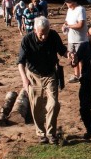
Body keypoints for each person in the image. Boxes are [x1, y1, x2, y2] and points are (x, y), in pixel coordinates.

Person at [17, 16, 69, 145]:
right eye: (41, 34)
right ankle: (41, 133)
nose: (44, 37)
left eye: (46, 33)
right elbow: (20, 63)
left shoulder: (53, 35)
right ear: (35, 30)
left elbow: (62, 51)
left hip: (50, 74)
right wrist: (24, 79)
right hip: (33, 75)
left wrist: (70, 55)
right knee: (36, 105)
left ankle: (51, 133)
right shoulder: (27, 40)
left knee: (53, 104)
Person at [73, 23, 91, 141]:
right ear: (87, 35)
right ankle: (89, 129)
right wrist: (74, 61)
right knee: (84, 107)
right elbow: (75, 62)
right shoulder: (84, 47)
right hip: (86, 81)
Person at [62, 0, 87, 83]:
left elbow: (81, 24)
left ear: (73, 2)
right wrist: (65, 25)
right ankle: (76, 75)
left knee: (80, 59)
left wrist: (69, 26)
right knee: (73, 57)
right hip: (71, 39)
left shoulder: (80, 9)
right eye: (66, 3)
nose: (67, 4)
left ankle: (82, 75)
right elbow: (67, 21)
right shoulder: (69, 10)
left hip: (80, 39)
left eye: (68, 2)